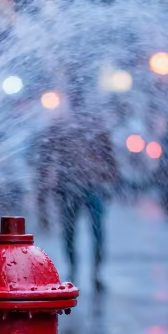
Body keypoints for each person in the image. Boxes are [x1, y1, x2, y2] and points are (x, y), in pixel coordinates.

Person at [47, 92, 119, 289]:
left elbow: (49, 157)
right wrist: (111, 178)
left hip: (74, 185)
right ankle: (91, 272)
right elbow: (110, 158)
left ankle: (77, 269)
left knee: (73, 230)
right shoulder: (95, 126)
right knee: (94, 230)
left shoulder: (62, 127)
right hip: (87, 185)